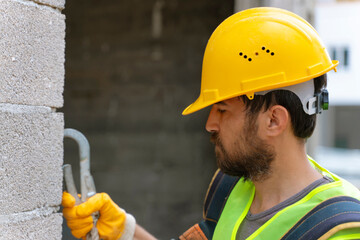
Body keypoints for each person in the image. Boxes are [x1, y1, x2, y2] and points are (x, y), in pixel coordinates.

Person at [62, 7, 360, 240]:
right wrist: (124, 231)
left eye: (222, 110)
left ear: (273, 120)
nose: (209, 124)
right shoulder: (231, 188)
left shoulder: (337, 228)